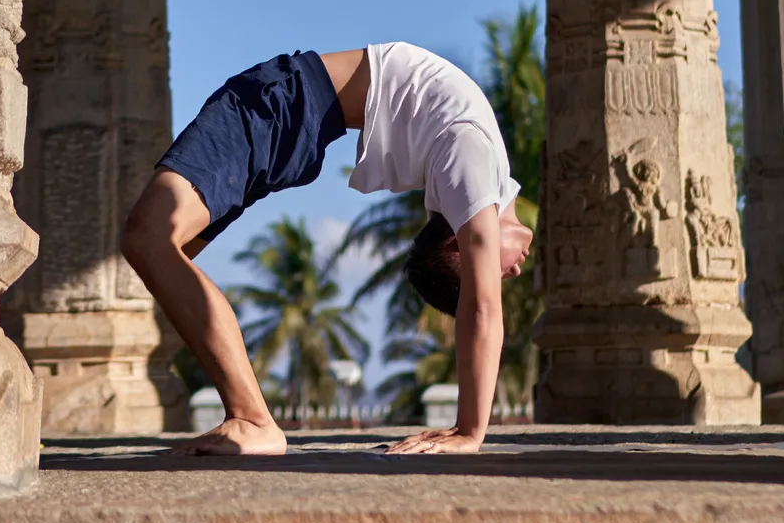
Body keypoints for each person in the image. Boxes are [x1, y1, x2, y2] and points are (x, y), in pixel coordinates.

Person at [121, 42, 534, 456]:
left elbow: (478, 303)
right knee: (161, 248)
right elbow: (481, 308)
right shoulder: (474, 161)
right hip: (286, 102)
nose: (510, 274)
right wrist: (469, 432)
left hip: (289, 112)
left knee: (151, 241)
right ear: (457, 244)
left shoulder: (469, 169)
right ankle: (247, 415)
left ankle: (250, 418)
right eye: (492, 272)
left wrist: (466, 431)